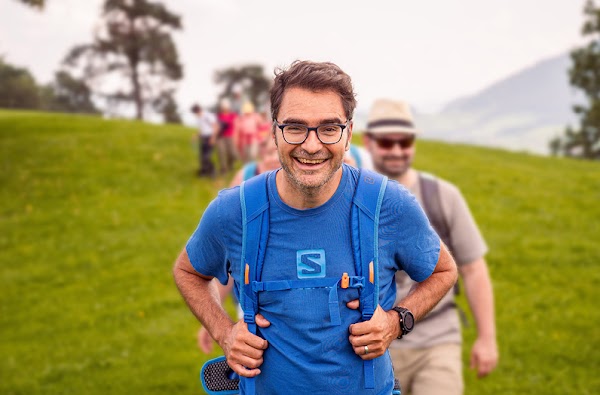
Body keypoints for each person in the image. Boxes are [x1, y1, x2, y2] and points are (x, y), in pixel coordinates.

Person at [173, 60, 458, 394]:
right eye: (295, 127)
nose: (311, 145)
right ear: (274, 130)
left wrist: (397, 321)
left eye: (328, 128)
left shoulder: (388, 205)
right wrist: (223, 331)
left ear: (348, 133)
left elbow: (443, 271)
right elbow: (189, 271)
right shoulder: (234, 211)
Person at [363, 99, 498, 395]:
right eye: (387, 142)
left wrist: (486, 338)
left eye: (405, 141)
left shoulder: (442, 196)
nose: (397, 151)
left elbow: (473, 268)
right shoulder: (355, 199)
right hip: (374, 347)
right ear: (368, 142)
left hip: (437, 340)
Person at [191, 103, 218, 177]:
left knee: (207, 157)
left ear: (199, 110)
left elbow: (215, 126)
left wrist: (213, 138)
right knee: (202, 157)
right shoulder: (199, 119)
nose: (196, 114)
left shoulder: (208, 116)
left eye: (196, 112)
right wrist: (196, 136)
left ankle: (213, 171)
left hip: (210, 137)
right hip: (203, 138)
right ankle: (204, 172)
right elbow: (202, 130)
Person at [216, 98, 238, 174]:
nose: (225, 108)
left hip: (230, 136)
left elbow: (236, 125)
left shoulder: (233, 115)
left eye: (226, 106)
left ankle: (230, 165)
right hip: (220, 137)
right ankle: (223, 169)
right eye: (223, 107)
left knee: (231, 153)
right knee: (221, 152)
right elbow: (216, 126)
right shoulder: (219, 116)